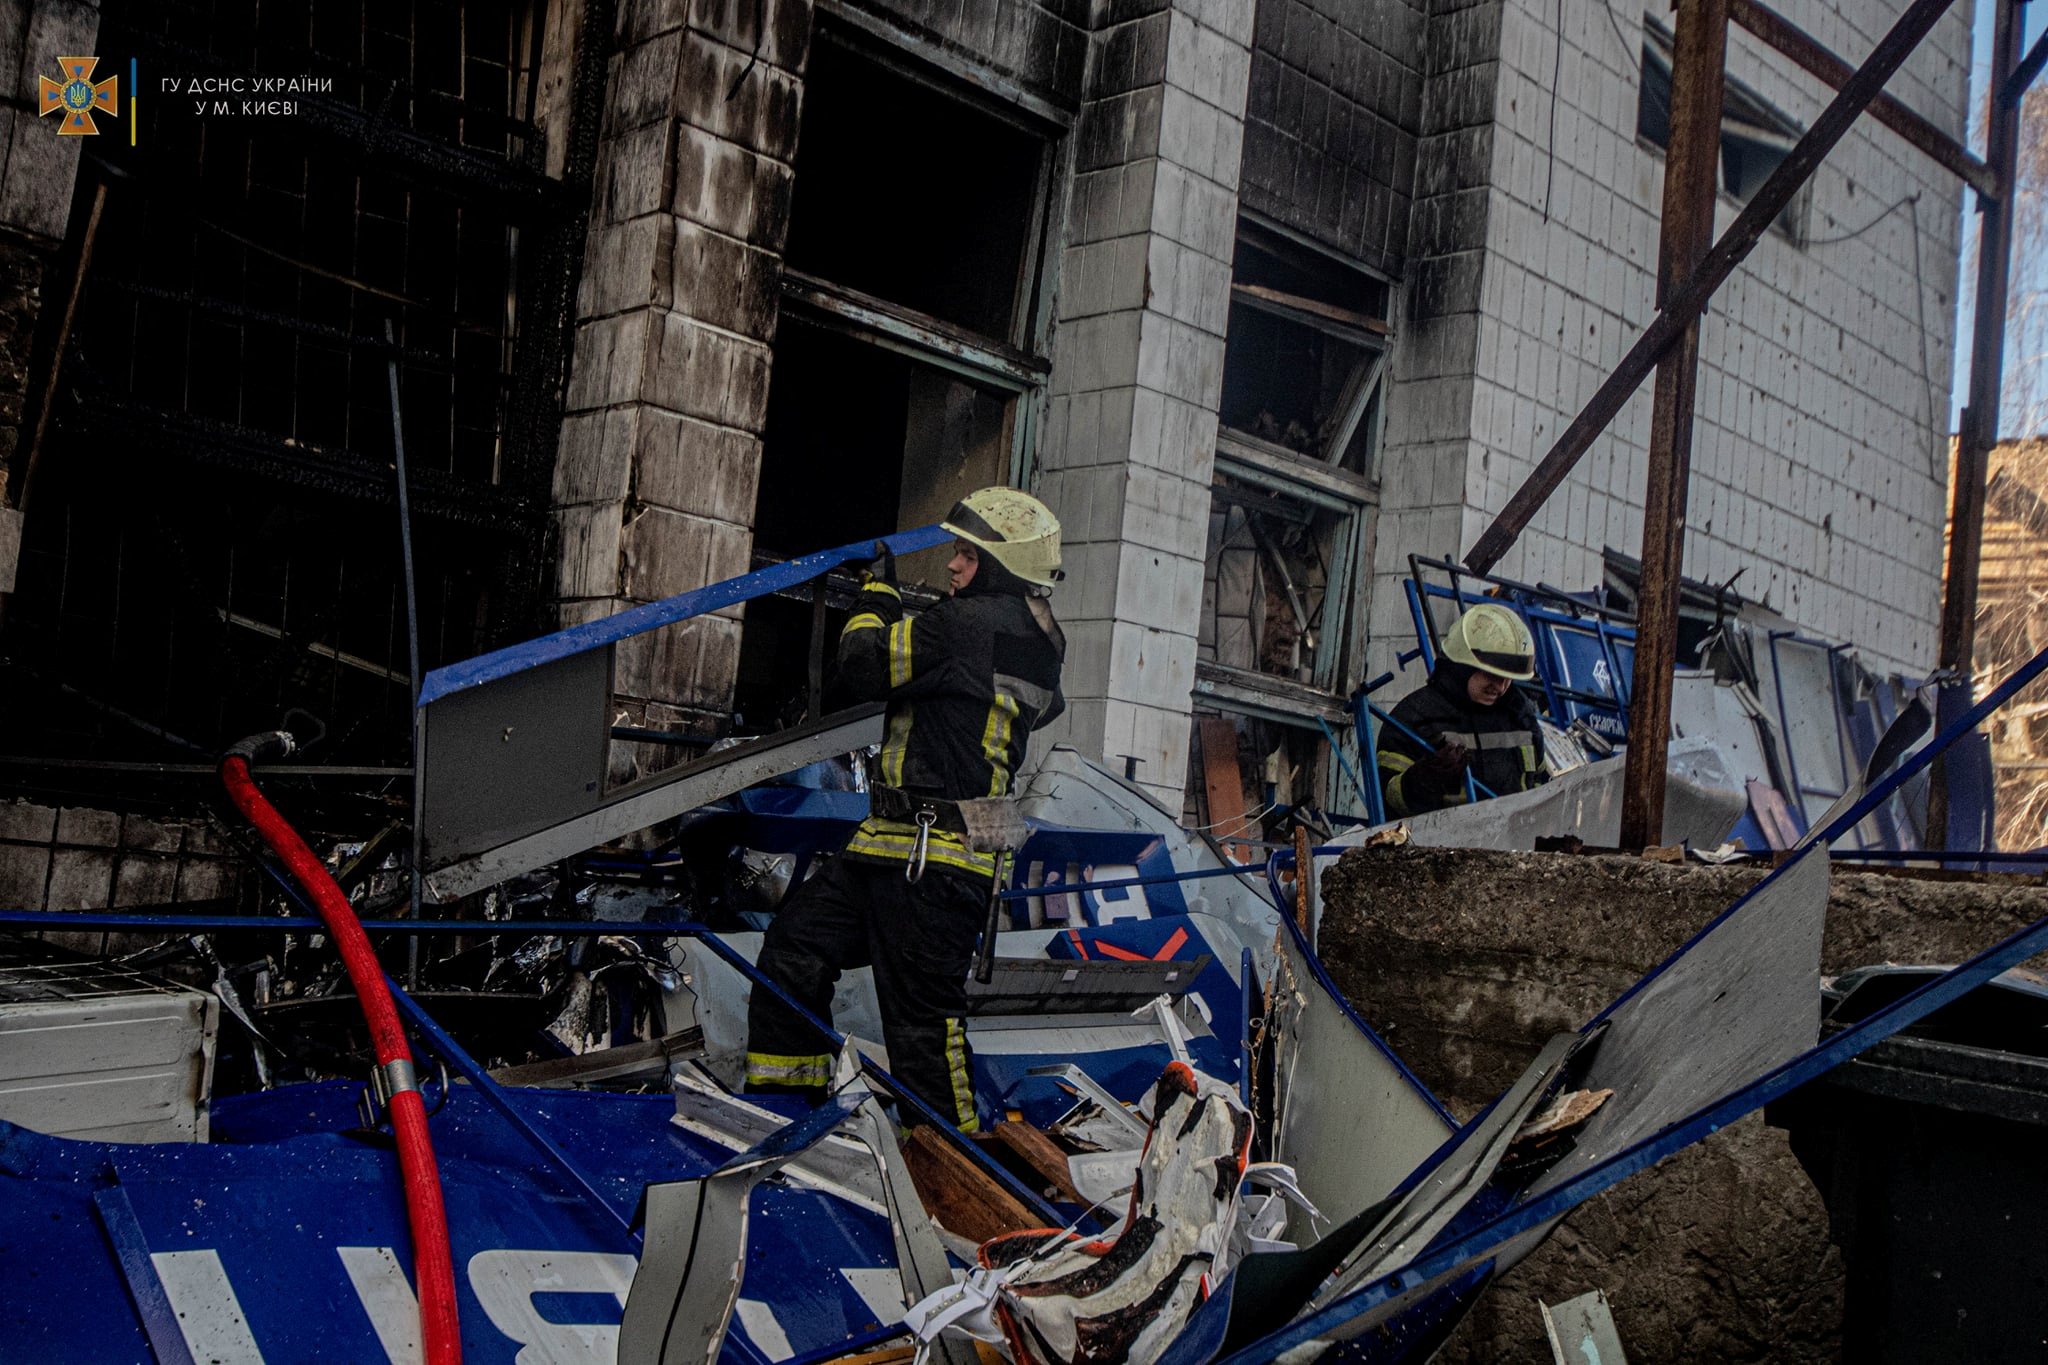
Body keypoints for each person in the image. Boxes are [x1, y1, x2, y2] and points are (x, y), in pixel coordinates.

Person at [743, 488, 1067, 1131]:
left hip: (928, 863)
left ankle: (953, 1171)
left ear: (999, 568)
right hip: (893, 850)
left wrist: (877, 599)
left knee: (923, 1029)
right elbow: (1030, 706)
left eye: (967, 556)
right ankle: (787, 1117)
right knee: (794, 950)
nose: (951, 565)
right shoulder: (1043, 639)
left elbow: (863, 662)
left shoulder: (964, 626)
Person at [1377, 602, 1549, 817]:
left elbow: (1543, 789)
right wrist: (1422, 780)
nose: (1501, 686)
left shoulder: (1521, 717)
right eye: (1491, 675)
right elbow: (1387, 805)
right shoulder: (1413, 717)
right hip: (1440, 846)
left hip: (1514, 845)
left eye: (1507, 678)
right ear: (1461, 667)